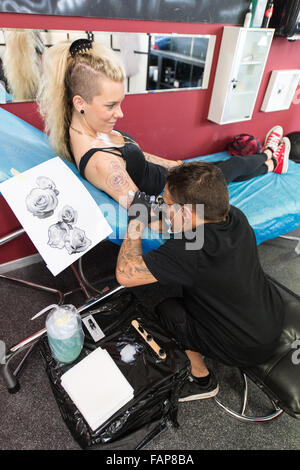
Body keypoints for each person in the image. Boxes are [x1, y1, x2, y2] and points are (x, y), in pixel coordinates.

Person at [37, 38, 290, 211]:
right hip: (177, 190)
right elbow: (144, 210)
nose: (121, 113)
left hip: (172, 175)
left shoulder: (82, 126)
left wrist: (177, 165)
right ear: (80, 102)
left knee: (226, 170)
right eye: (111, 105)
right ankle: (270, 154)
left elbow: (136, 156)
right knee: (228, 169)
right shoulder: (102, 164)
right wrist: (184, 212)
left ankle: (270, 164)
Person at [115, 161, 285, 401]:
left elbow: (125, 273)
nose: (162, 206)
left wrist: (136, 222)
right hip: (270, 317)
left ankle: (201, 377)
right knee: (179, 280)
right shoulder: (233, 216)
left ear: (185, 212)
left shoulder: (189, 251)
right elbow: (180, 228)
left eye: (166, 202)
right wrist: (160, 215)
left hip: (244, 346)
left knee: (164, 304)